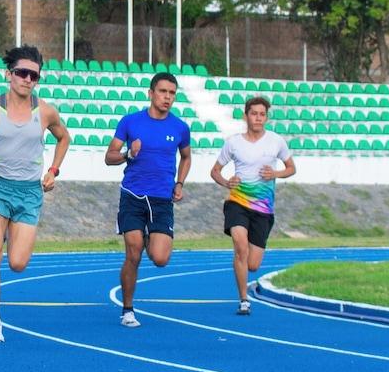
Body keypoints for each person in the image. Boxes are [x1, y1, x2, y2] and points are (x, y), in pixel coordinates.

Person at [0, 44, 71, 342]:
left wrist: (53, 171)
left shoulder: (46, 112)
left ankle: (9, 228)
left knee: (18, 263)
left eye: (33, 76)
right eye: (22, 73)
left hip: (28, 193)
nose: (27, 79)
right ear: (9, 74)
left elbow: (64, 139)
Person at [106, 71, 192, 327]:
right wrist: (126, 154)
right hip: (132, 195)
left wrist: (179, 182)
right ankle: (127, 309)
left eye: (172, 93)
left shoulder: (180, 127)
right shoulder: (130, 122)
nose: (167, 97)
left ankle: (147, 237)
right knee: (133, 254)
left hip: (162, 200)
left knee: (160, 259)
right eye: (163, 91)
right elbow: (109, 156)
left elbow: (186, 157)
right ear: (151, 93)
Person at [209, 95, 298, 314]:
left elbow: (291, 168)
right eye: (253, 114)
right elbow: (215, 171)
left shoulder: (276, 141)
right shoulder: (233, 143)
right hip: (237, 202)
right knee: (240, 246)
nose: (258, 118)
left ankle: (243, 265)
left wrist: (275, 173)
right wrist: (226, 182)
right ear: (246, 116)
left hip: (263, 209)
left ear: (266, 118)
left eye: (262, 114)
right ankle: (243, 300)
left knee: (253, 264)